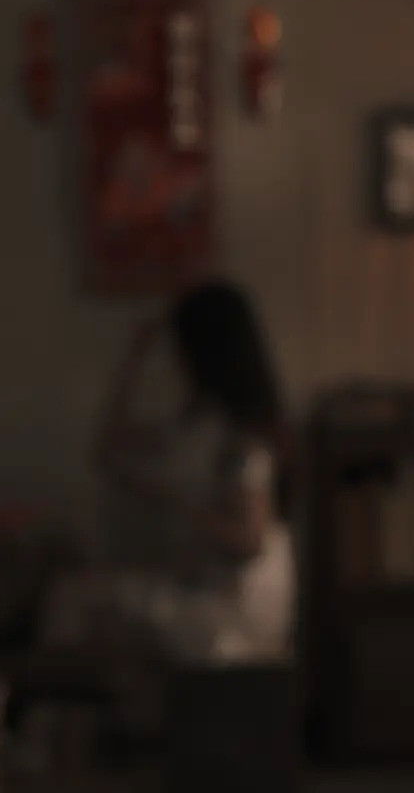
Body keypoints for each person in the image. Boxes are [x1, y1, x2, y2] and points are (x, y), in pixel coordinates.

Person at [37, 281, 295, 734]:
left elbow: (248, 540)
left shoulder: (242, 441)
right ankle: (81, 733)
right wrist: (134, 358)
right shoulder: (197, 423)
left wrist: (173, 502)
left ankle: (61, 737)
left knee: (79, 605)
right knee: (79, 601)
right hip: (198, 587)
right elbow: (108, 449)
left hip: (234, 606)